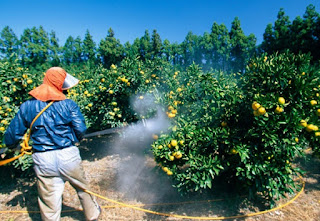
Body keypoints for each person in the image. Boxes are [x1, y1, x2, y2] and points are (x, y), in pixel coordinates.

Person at [4, 67, 101, 221]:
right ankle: (93, 215)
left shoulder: (28, 106)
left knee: (49, 199)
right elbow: (81, 129)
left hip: (43, 159)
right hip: (68, 155)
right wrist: (73, 138)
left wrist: (12, 146)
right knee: (83, 189)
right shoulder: (68, 104)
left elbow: (12, 135)